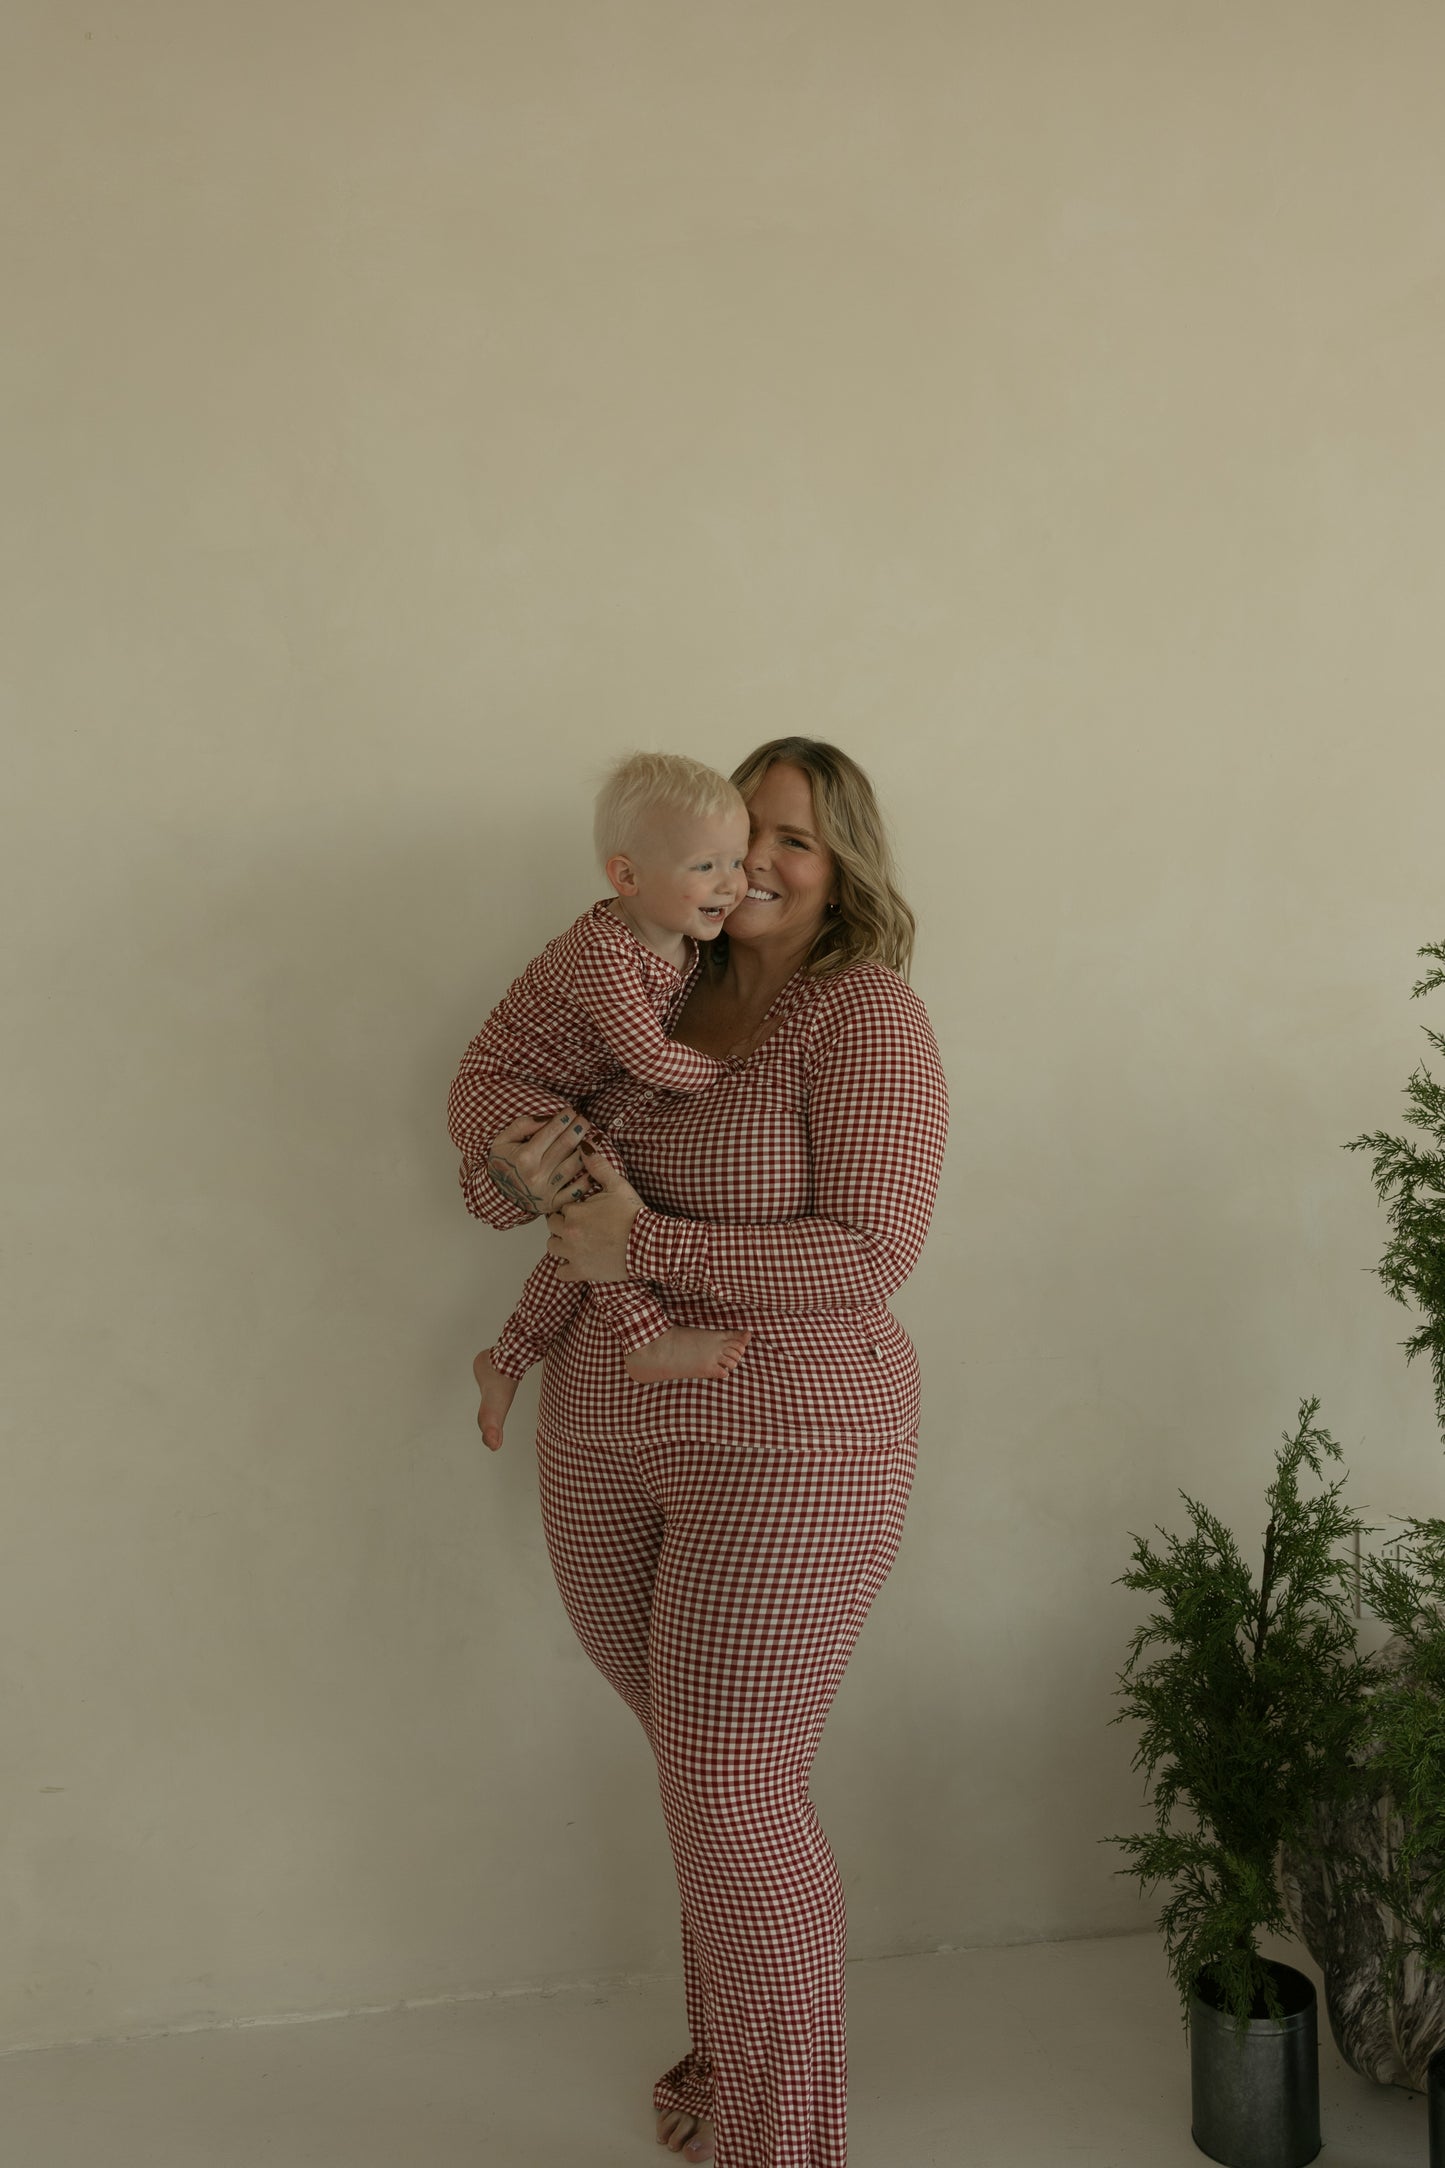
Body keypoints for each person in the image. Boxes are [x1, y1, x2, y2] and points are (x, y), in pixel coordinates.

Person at [448, 739, 949, 2167]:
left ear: (841, 860)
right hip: (606, 1430)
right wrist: (508, 1162)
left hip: (794, 1437)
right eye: (740, 841)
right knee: (702, 1777)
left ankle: (784, 2142)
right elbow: (502, 1170)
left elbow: (873, 1256)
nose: (758, 870)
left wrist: (645, 1240)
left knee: (732, 1785)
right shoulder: (645, 978)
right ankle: (735, 2073)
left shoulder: (867, 1020)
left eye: (792, 842)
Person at [449, 751, 757, 1454]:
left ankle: (505, 1360)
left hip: (554, 1100)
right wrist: (734, 1075)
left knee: (588, 1232)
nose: (733, 884)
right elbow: (647, 1057)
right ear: (627, 877)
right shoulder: (603, 950)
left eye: (736, 861)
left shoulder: (687, 948)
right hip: (496, 1088)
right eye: (705, 866)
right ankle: (643, 1337)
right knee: (598, 1193)